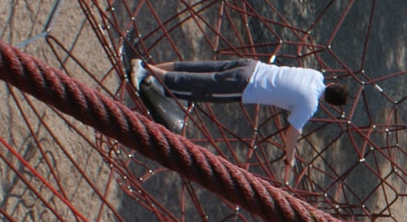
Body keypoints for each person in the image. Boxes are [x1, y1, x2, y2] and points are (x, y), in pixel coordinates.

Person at [127, 53, 350, 183]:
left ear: (331, 83)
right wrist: (289, 160)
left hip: (251, 65)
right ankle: (145, 72)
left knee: (199, 69)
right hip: (245, 86)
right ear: (331, 104)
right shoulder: (310, 104)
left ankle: (150, 67)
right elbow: (292, 131)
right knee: (199, 86)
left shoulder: (316, 76)